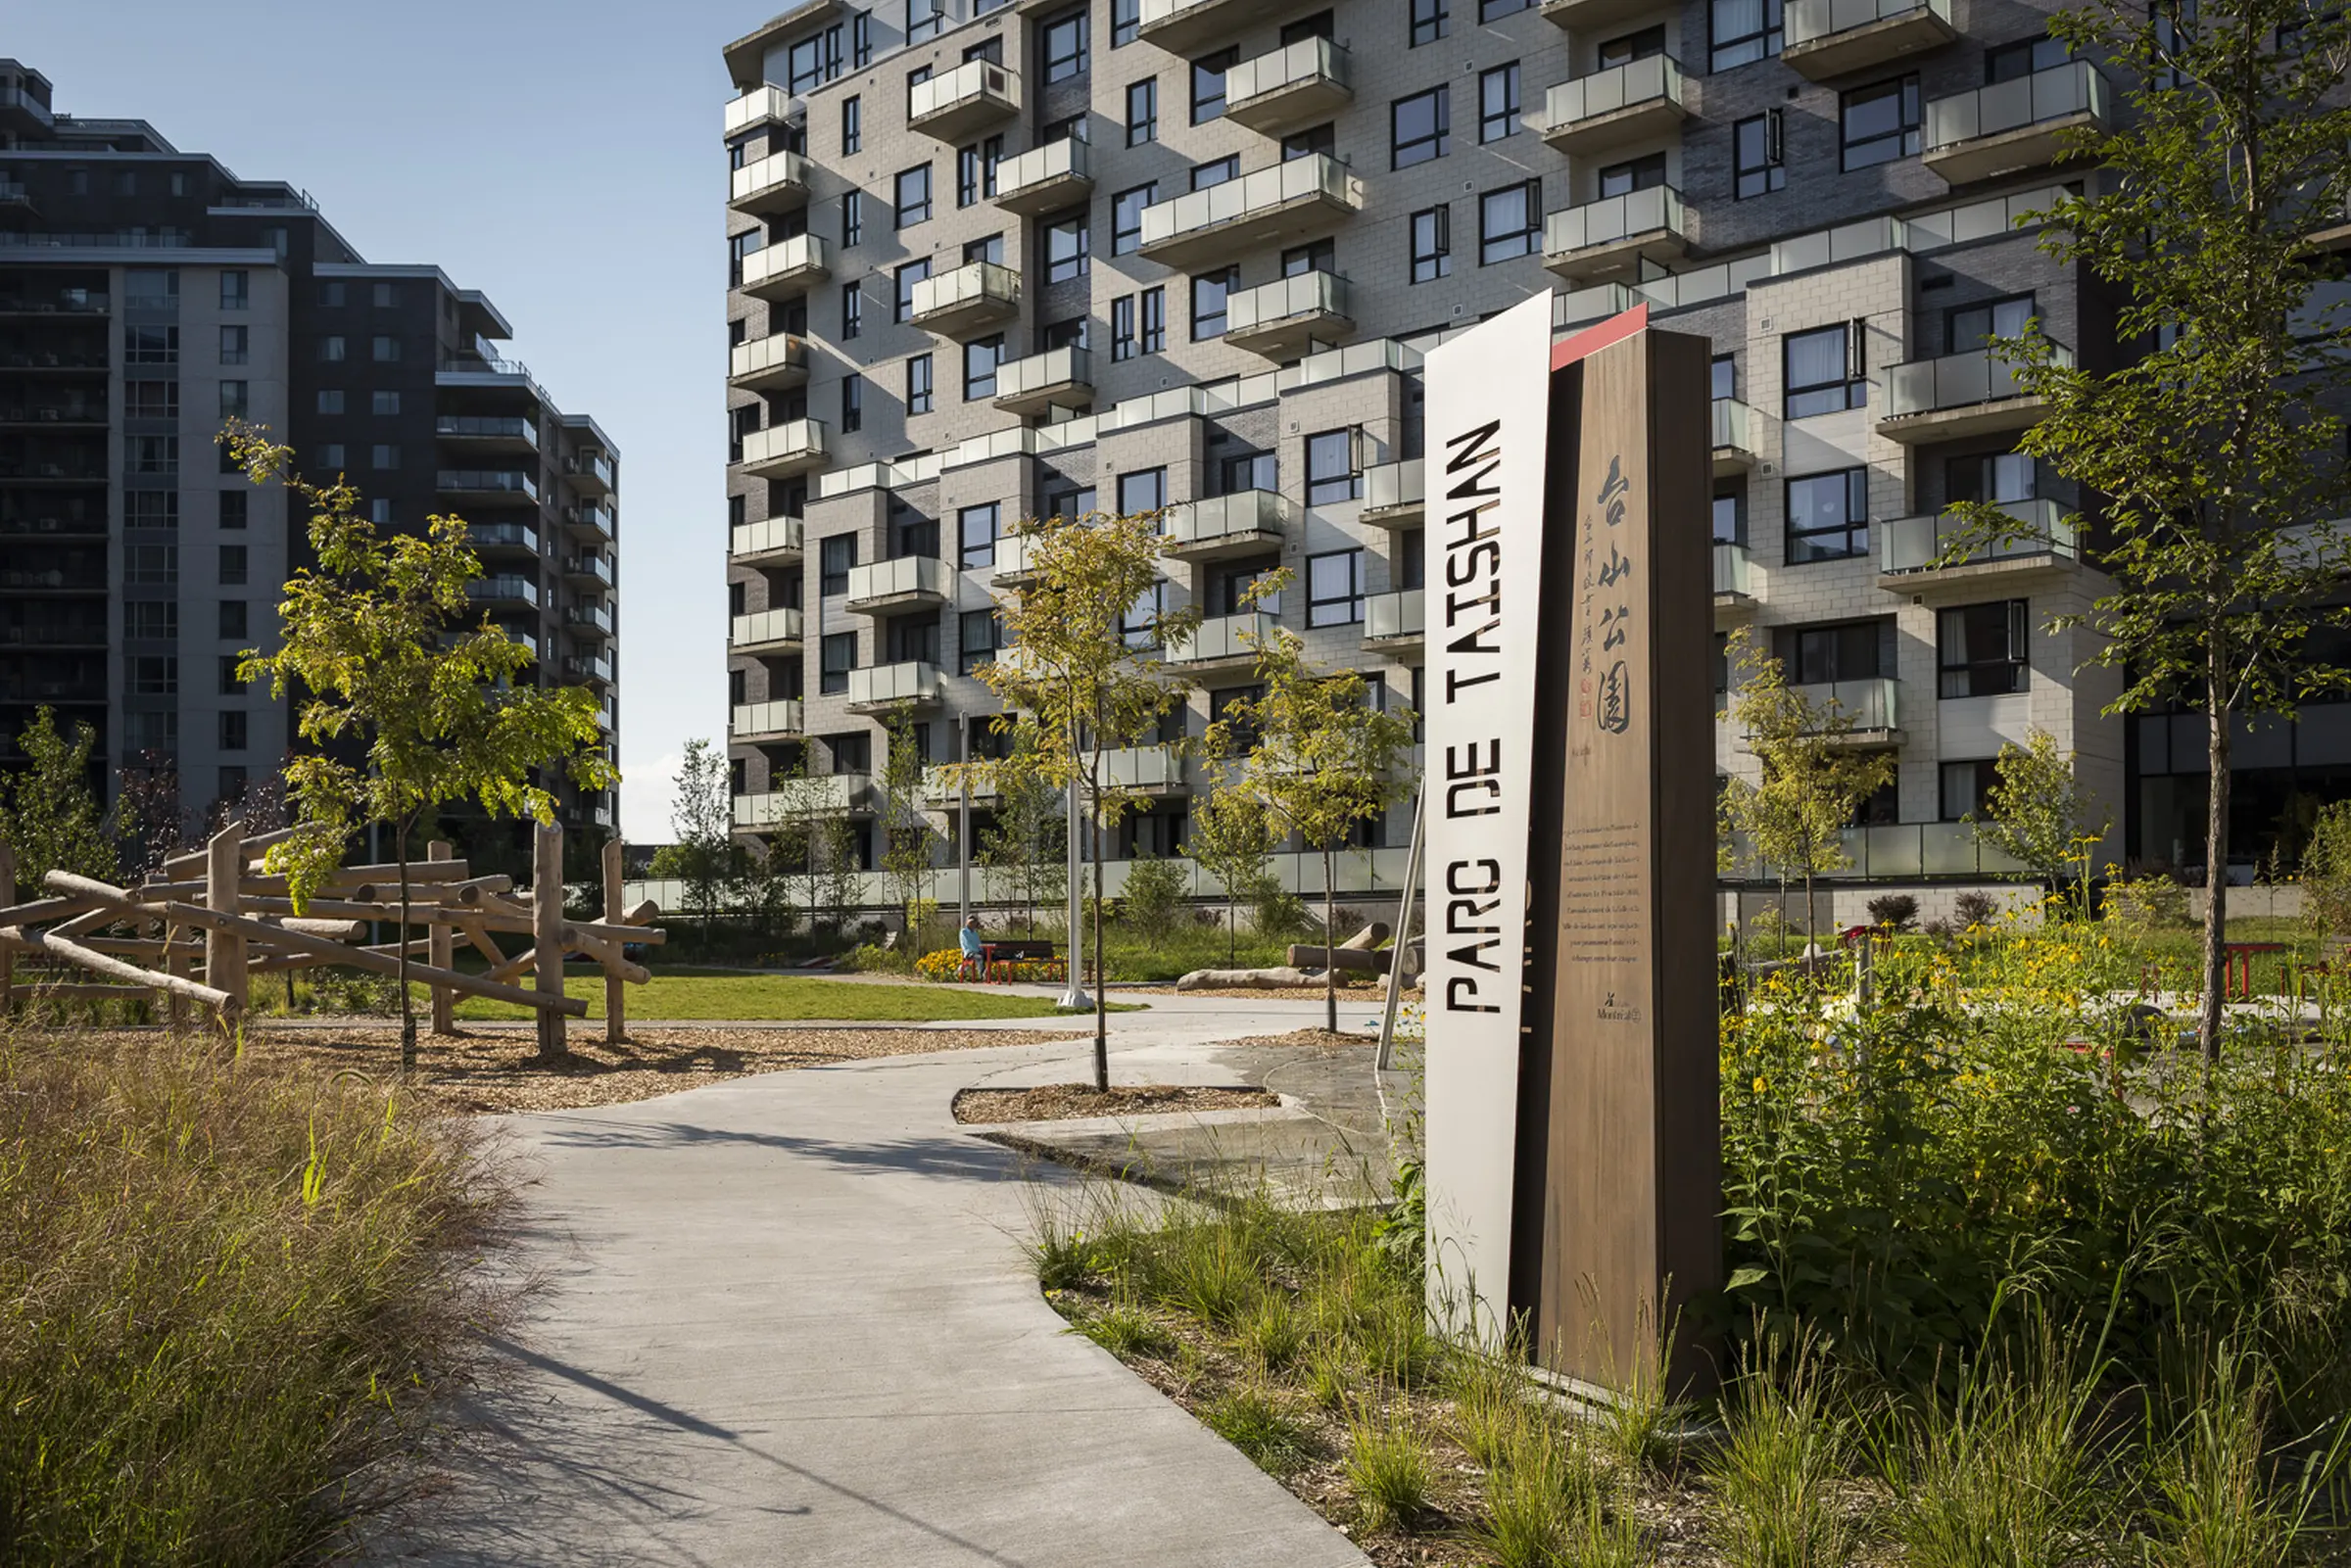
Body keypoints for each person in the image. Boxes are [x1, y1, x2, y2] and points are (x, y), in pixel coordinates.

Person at [958, 917, 989, 981]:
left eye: (973, 922)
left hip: (978, 952)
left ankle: (987, 973)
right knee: (979, 957)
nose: (972, 924)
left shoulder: (975, 933)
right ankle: (982, 976)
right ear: (967, 923)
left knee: (991, 956)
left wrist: (981, 950)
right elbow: (968, 944)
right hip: (969, 953)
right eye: (970, 922)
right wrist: (978, 951)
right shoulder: (964, 932)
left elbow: (979, 943)